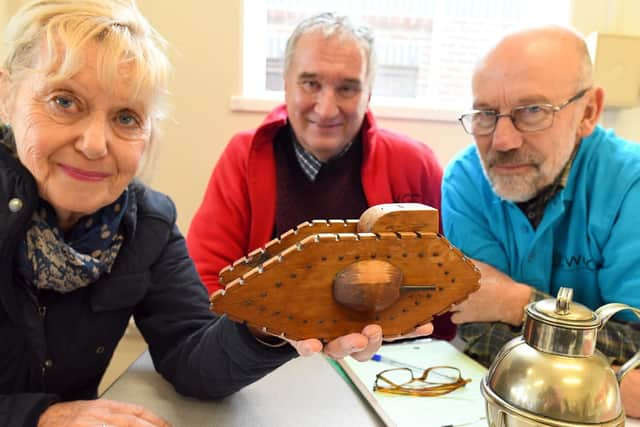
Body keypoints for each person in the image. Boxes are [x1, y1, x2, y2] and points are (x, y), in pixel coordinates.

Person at [0, 2, 433, 426]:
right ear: (5, 95)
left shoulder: (147, 224)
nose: (95, 144)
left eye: (126, 116)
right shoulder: (245, 157)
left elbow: (193, 357)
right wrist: (38, 416)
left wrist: (271, 326)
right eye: (64, 102)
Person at [186, 12, 454, 340]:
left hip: (386, 361)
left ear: (369, 93)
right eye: (311, 84)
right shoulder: (244, 156)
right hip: (266, 352)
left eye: (347, 88)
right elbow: (207, 282)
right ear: (285, 84)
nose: (326, 109)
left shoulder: (415, 165)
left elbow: (444, 290)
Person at [441, 25, 640, 417]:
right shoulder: (464, 181)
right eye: (485, 114)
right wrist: (600, 378)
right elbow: (479, 331)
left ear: (588, 112)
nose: (502, 140)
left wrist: (517, 303)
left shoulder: (630, 185)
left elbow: (634, 340)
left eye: (532, 111)